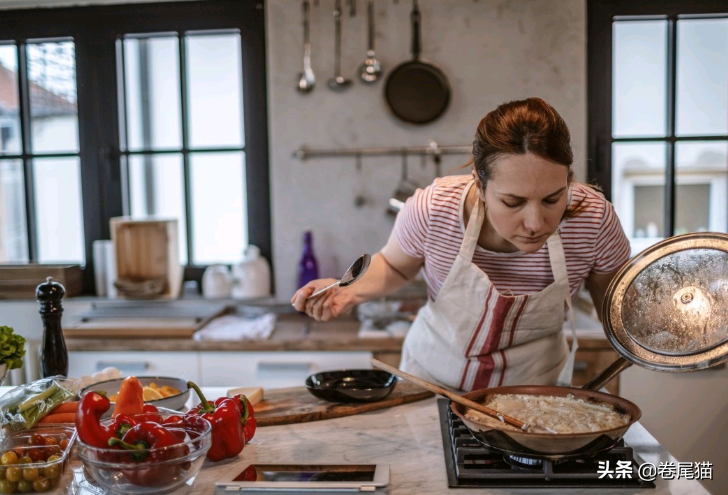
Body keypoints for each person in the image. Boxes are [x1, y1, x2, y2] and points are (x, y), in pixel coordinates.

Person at [291, 97, 631, 392]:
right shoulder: (433, 209)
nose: (535, 222)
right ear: (480, 187)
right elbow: (395, 265)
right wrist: (347, 291)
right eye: (513, 202)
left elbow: (614, 309)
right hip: (431, 383)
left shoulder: (594, 219)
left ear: (569, 181)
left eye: (553, 199)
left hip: (533, 394)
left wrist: (650, 339)